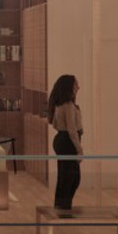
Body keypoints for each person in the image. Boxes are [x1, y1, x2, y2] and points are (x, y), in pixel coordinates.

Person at [49, 73, 84, 215]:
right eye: (76, 85)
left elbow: (56, 124)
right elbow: (72, 130)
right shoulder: (68, 106)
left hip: (61, 140)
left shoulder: (59, 104)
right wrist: (79, 149)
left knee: (65, 175)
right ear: (69, 87)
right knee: (72, 177)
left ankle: (61, 205)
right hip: (67, 142)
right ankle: (64, 206)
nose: (78, 87)